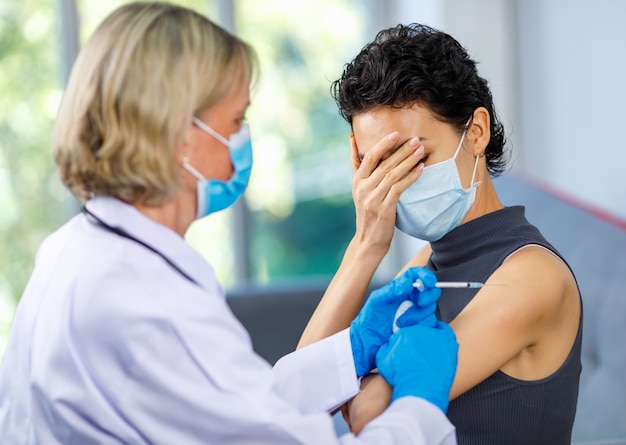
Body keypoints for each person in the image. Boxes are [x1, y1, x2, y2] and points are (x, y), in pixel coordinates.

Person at [0, 4, 461, 444]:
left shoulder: (76, 249)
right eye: (236, 119)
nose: (243, 138)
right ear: (178, 134)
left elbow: (233, 409)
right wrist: (419, 405)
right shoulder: (146, 305)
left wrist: (351, 348)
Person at [298, 23, 582, 445]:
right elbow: (302, 391)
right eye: (379, 165)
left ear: (477, 133)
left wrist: (353, 376)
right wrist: (365, 247)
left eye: (416, 155)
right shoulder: (430, 260)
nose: (396, 182)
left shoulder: (532, 278)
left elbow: (368, 413)